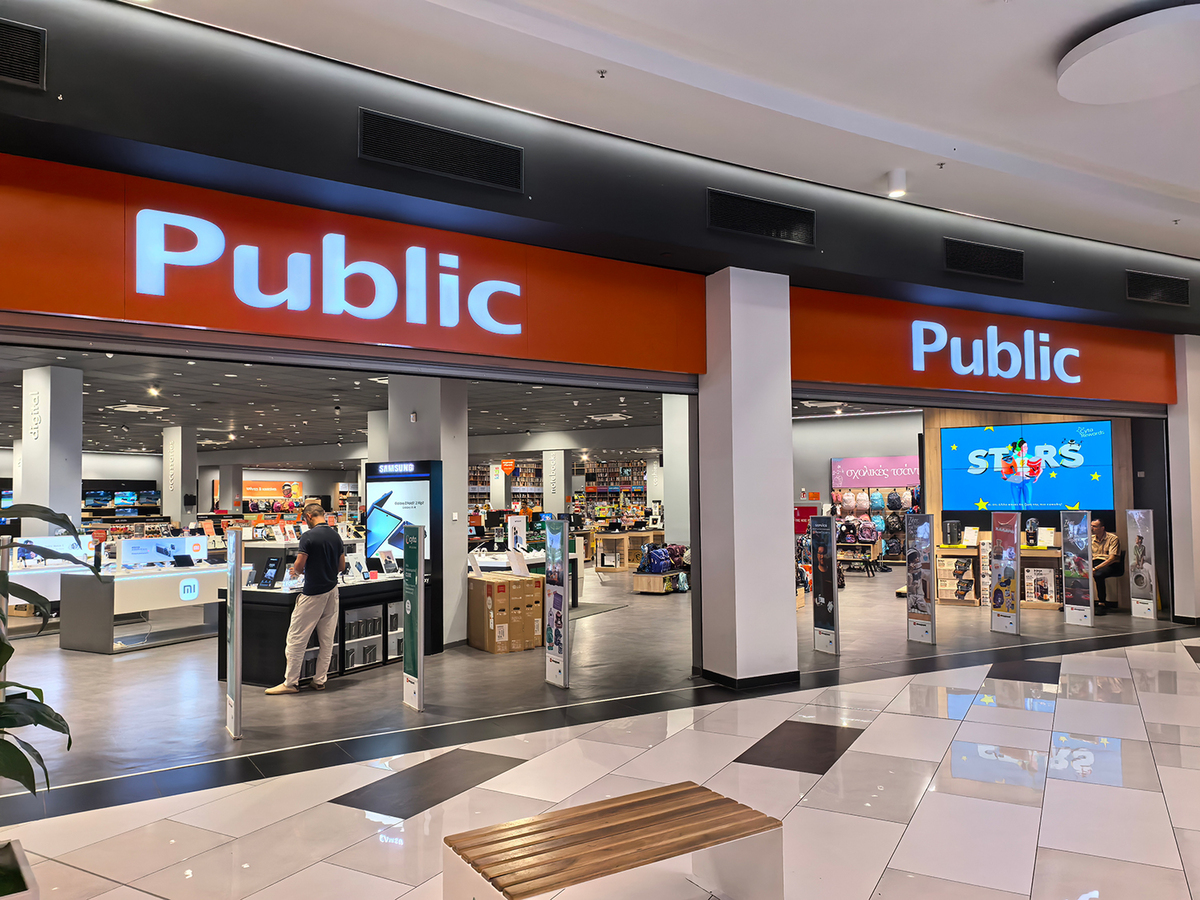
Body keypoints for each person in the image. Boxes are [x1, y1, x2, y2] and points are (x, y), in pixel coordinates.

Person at [265, 503, 346, 695]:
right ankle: (319, 680)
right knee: (327, 639)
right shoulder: (336, 536)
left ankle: (290, 683)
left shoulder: (308, 537)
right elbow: (341, 566)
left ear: (309, 516)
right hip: (332, 591)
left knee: (296, 638)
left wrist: (299, 570)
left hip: (313, 593)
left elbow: (299, 566)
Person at [1091, 518, 1121, 614]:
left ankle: (1102, 603)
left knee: (1098, 575)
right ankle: (1076, 601)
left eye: (1094, 526)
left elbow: (1112, 558)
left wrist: (1095, 568)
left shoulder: (1113, 538)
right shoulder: (1090, 539)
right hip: (1094, 562)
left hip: (1109, 564)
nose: (1092, 528)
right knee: (1076, 571)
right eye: (1091, 526)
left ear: (1102, 528)